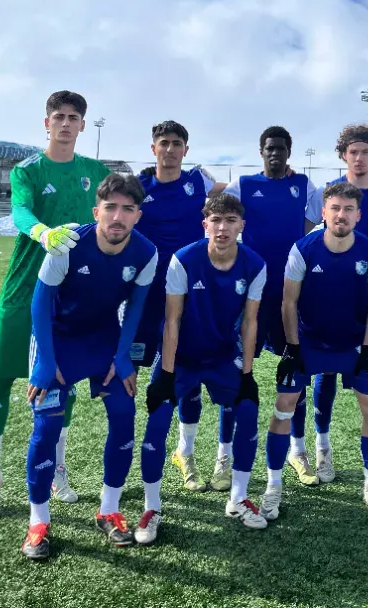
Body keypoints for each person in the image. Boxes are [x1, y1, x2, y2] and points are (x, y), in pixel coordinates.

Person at [0, 91, 110, 522]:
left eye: (73, 117)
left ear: (83, 125)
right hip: (24, 285)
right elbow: (19, 212)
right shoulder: (27, 170)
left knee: (63, 380)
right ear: (46, 123)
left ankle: (57, 470)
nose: (65, 123)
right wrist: (43, 233)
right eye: (59, 116)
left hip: (72, 292)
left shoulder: (96, 172)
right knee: (0, 376)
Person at [20, 173, 156, 559]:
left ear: (138, 215)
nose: (117, 216)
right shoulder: (68, 244)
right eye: (110, 208)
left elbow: (135, 310)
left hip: (104, 344)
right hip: (58, 342)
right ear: (96, 212)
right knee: (46, 428)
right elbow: (40, 305)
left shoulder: (146, 253)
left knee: (124, 414)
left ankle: (109, 510)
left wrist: (122, 357)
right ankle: (38, 521)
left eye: (127, 209)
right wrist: (46, 363)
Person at [259, 183, 368, 522]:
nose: (341, 215)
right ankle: (273, 487)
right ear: (324, 212)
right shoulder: (304, 249)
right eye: (335, 208)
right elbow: (288, 301)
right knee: (283, 406)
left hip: (353, 344)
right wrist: (292, 348)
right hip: (310, 342)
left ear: (358, 215)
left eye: (348, 209)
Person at [142, 193, 267, 540]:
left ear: (241, 226)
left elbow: (250, 322)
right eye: (216, 220)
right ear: (205, 225)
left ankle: (238, 499)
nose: (223, 228)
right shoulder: (184, 259)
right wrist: (167, 375)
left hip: (222, 355)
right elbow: (172, 319)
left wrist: (247, 375)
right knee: (157, 419)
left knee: (247, 409)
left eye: (230, 221)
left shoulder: (255, 264)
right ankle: (151, 507)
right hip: (181, 356)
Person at [207, 126, 321, 487]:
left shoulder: (303, 185)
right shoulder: (243, 185)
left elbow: (312, 222)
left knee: (296, 373)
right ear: (261, 152)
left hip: (290, 296)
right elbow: (217, 210)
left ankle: (297, 451)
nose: (275, 153)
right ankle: (224, 457)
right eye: (269, 148)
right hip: (250, 293)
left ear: (289, 152)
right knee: (235, 372)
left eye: (281, 148)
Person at [305, 123, 368, 483]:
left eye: (365, 152)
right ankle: (322, 447)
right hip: (330, 294)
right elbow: (305, 229)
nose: (359, 158)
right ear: (343, 155)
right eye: (353, 152)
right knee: (326, 373)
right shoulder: (329, 192)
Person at [132, 121, 227, 494]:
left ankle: (183, 452)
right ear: (153, 148)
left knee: (187, 370)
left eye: (176, 143)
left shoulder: (197, 182)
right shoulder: (140, 186)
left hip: (189, 293)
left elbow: (231, 194)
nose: (170, 149)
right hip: (145, 295)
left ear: (185, 150)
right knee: (132, 374)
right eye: (163, 143)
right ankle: (131, 450)